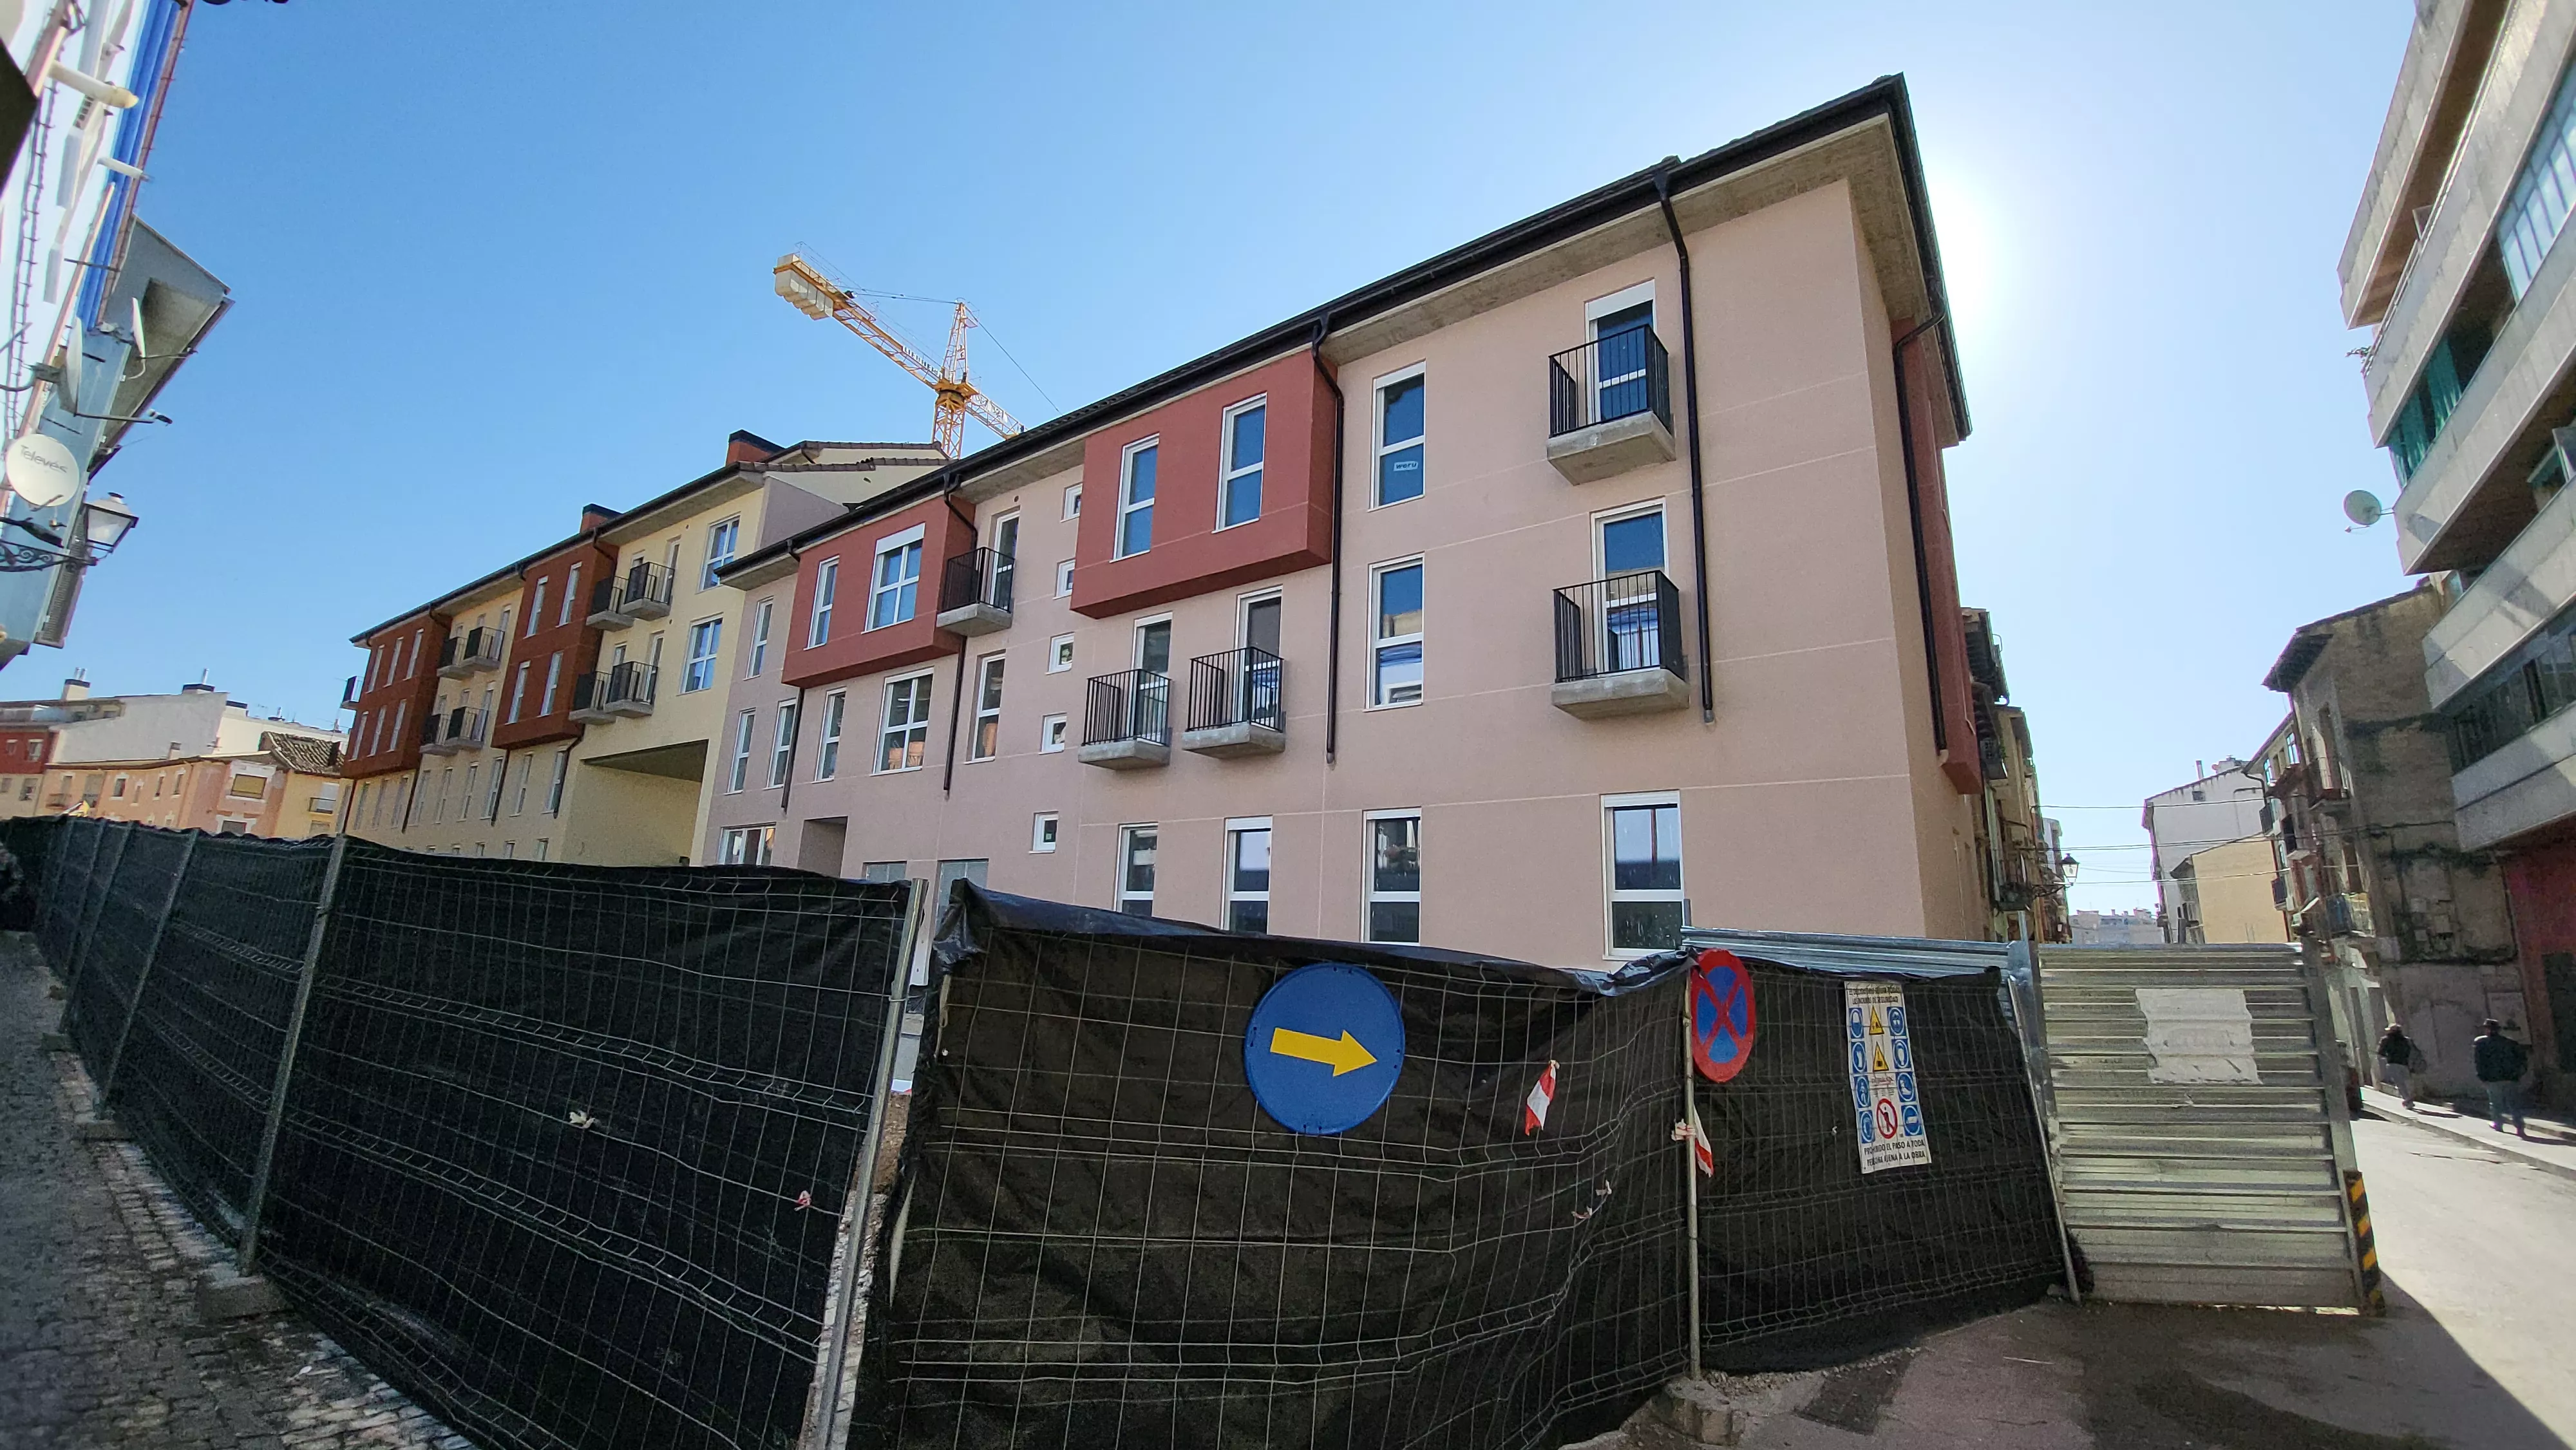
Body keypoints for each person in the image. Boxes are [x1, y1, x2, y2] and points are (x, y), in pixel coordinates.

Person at [2472, 1019, 2531, 1138]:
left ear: (2487, 1030)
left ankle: (2498, 1124)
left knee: (2496, 1103)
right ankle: (2519, 1127)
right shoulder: (2510, 1042)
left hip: (2493, 1078)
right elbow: (2522, 1059)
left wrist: (2481, 1076)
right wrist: (2519, 1074)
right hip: (2511, 1077)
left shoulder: (2481, 1043)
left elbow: (2479, 1062)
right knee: (2514, 1103)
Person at [2376, 1022, 2424, 1109]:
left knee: (2400, 1084)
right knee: (2408, 1082)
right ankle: (2410, 1098)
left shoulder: (2385, 1040)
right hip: (2405, 1064)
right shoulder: (2407, 1040)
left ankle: (2407, 1100)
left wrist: (2387, 1057)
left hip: (2392, 1064)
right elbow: (2413, 1052)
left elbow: (2380, 1053)